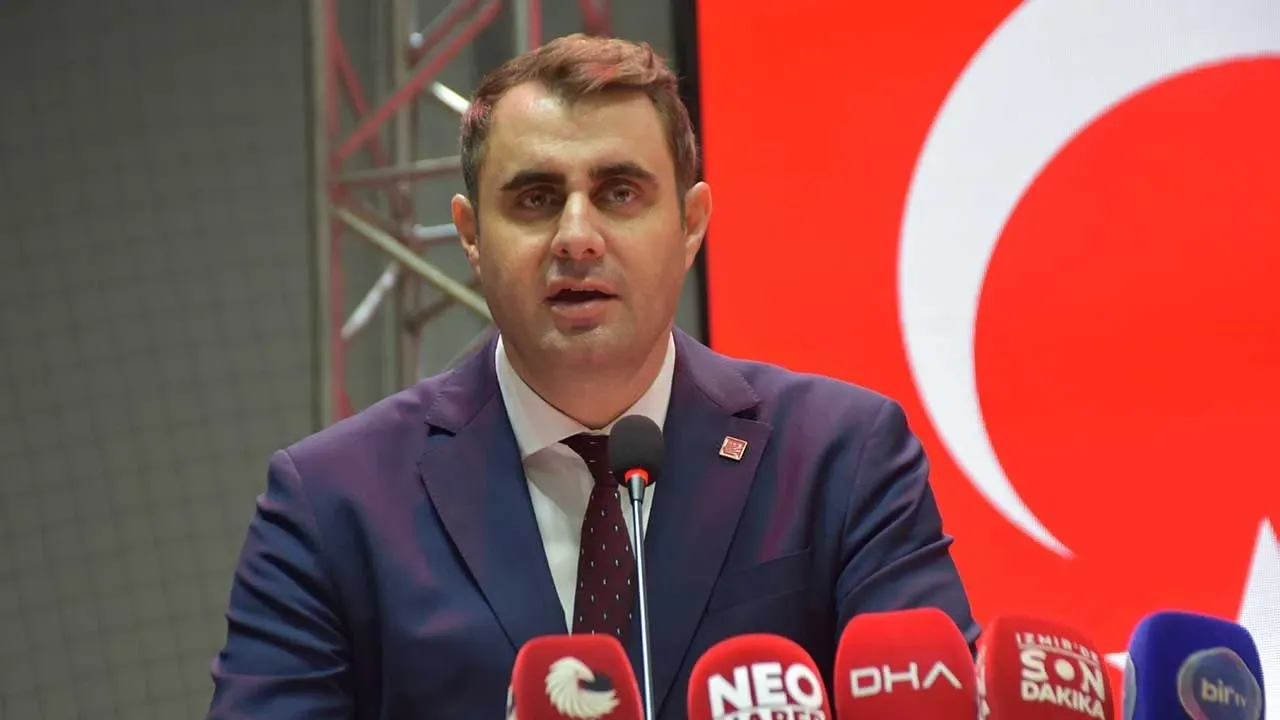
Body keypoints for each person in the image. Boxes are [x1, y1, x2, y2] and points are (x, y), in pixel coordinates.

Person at [205, 33, 978, 720]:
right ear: (471, 236)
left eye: (620, 193)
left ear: (691, 225)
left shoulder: (841, 457)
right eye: (537, 199)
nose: (577, 237)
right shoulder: (332, 504)